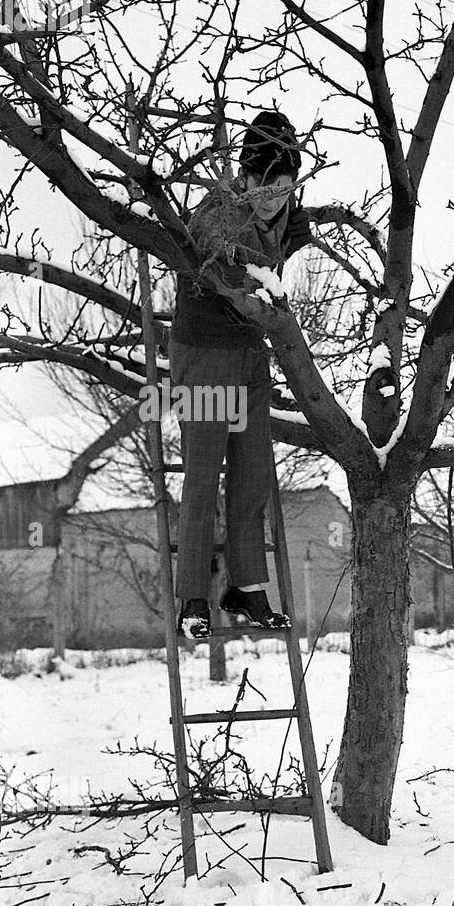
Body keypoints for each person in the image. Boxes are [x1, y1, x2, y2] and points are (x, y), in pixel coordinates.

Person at [171, 111, 313, 639]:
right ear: (245, 178)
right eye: (264, 187)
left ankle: (246, 586)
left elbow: (275, 248)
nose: (273, 198)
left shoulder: (284, 213)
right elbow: (233, 275)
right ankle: (192, 597)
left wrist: (292, 237)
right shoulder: (218, 212)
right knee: (204, 477)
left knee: (254, 475)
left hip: (250, 358)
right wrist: (260, 290)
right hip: (205, 357)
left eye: (284, 187)